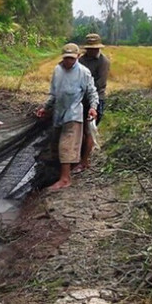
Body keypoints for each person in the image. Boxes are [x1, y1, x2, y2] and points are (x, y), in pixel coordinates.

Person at [35, 43, 99, 190]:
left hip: (74, 113)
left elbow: (92, 93)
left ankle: (65, 179)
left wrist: (93, 108)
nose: (68, 61)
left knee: (66, 146)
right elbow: (54, 94)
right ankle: (60, 174)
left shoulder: (84, 72)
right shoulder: (57, 70)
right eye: (66, 58)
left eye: (71, 58)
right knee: (56, 146)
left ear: (77, 56)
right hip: (59, 113)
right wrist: (45, 108)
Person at [74, 33, 111, 173]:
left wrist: (91, 100)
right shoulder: (81, 61)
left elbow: (100, 84)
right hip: (81, 99)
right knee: (80, 129)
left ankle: (84, 161)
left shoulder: (103, 62)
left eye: (94, 48)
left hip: (96, 98)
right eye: (90, 48)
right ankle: (78, 157)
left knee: (89, 129)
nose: (92, 51)